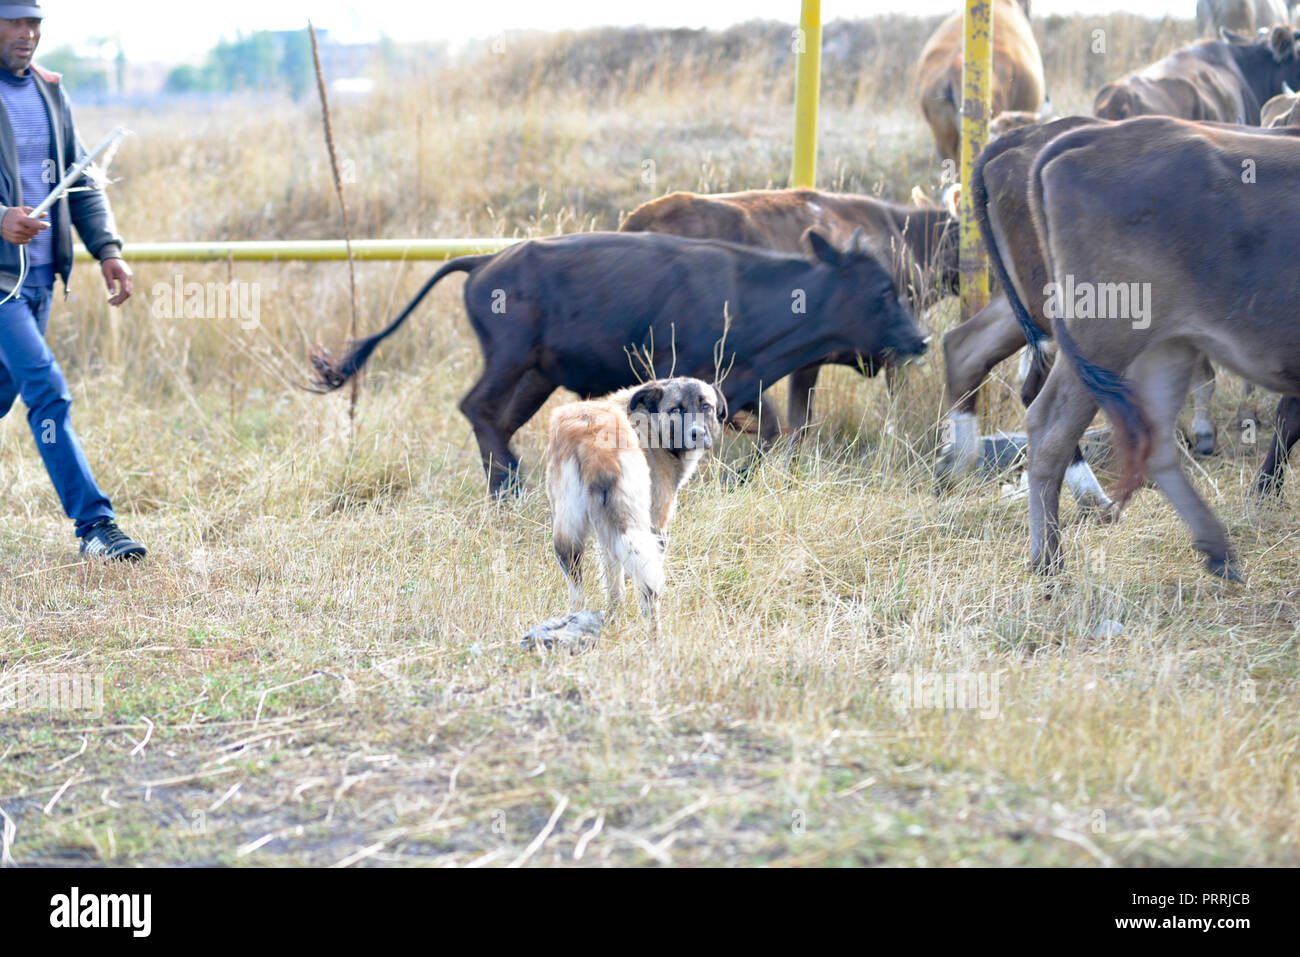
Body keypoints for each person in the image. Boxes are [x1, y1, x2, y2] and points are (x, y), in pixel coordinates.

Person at [0, 1, 145, 560]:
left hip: (40, 279)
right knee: (46, 389)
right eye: (14, 20)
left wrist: (107, 250)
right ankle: (95, 527)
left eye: (34, 22)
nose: (28, 32)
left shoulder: (48, 91)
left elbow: (80, 182)